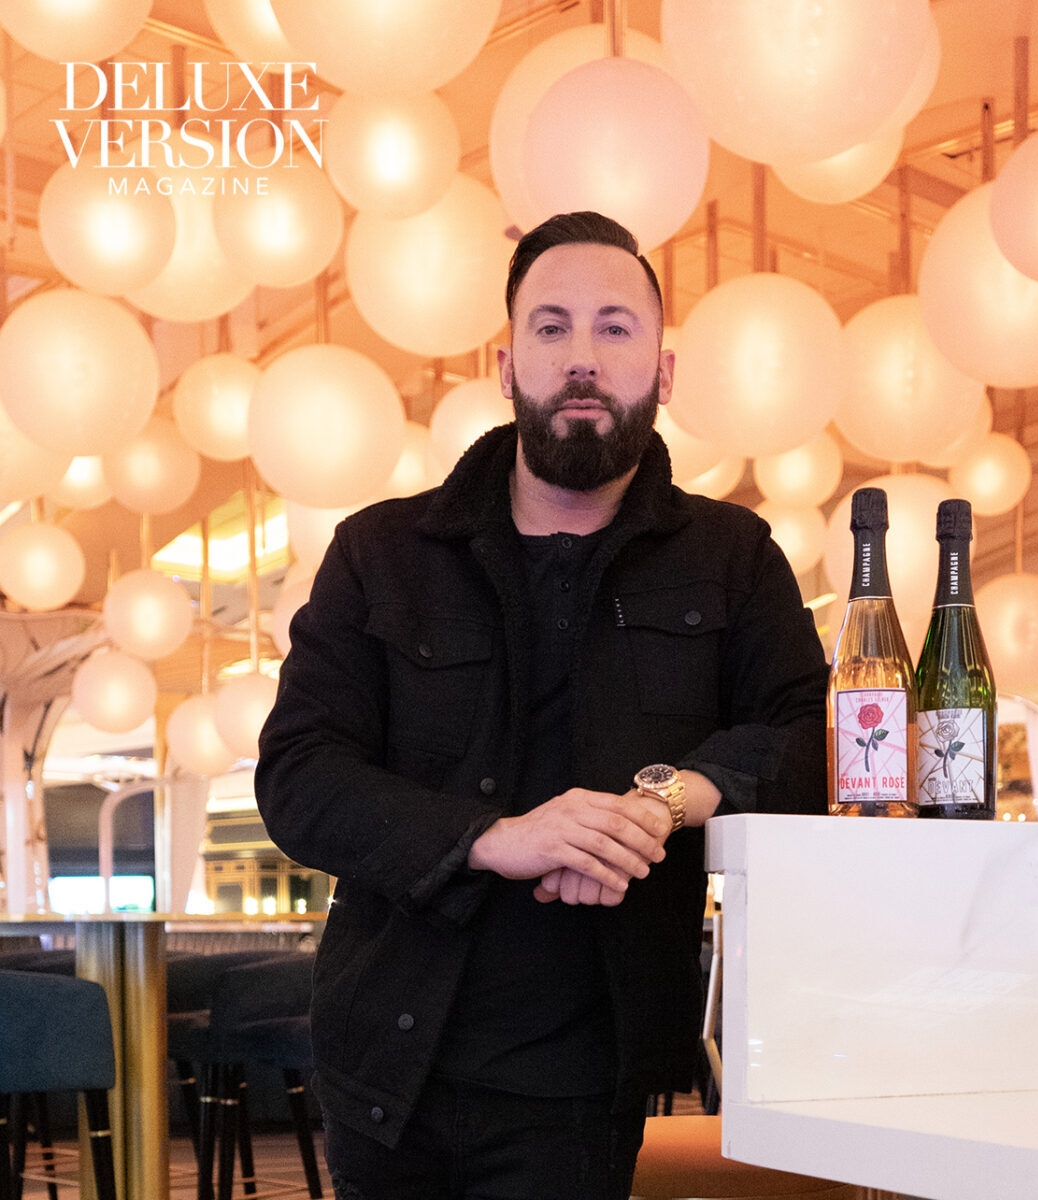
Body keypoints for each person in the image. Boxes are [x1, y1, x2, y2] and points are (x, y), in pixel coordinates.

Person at [255, 210, 829, 1200]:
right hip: (387, 1066)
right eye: (551, 326)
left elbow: (815, 741)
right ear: (507, 363)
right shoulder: (381, 555)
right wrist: (494, 838)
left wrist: (670, 799)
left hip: (586, 1078)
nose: (582, 357)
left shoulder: (732, 559)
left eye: (615, 327)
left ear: (664, 370)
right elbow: (299, 777)